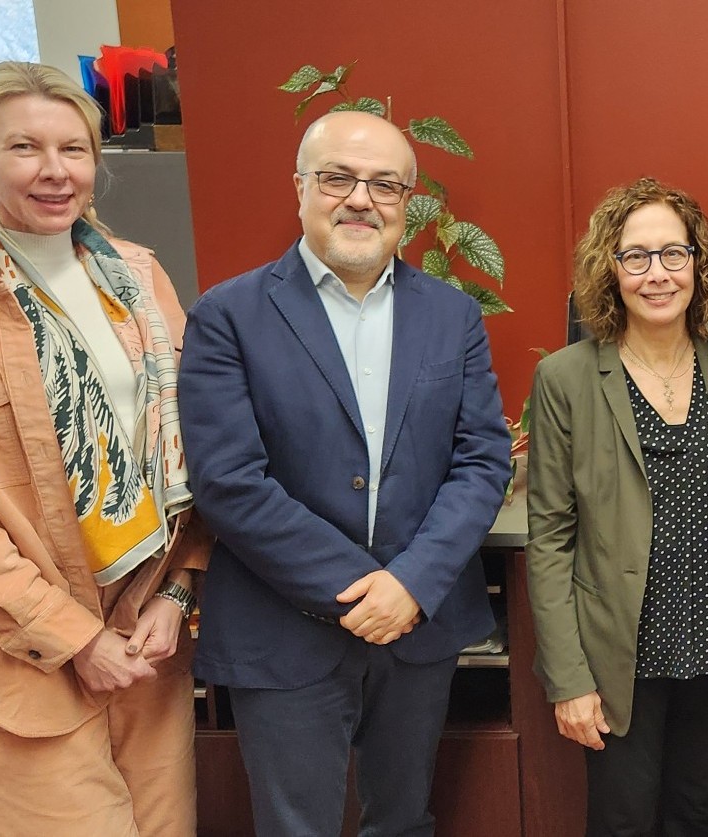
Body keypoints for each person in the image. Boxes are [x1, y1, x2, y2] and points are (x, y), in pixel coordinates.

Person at [0, 60, 207, 836]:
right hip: (23, 658)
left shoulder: (141, 279)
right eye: (25, 148)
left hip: (147, 642)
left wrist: (180, 590)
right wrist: (75, 637)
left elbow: (198, 454)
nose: (55, 172)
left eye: (74, 150)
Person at [177, 111, 513, 837]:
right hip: (284, 626)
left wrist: (411, 584)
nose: (361, 198)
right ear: (300, 188)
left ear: (407, 204)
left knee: (403, 820)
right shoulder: (227, 316)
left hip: (416, 626)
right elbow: (228, 479)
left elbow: (482, 458)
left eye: (385, 184)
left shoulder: (453, 316)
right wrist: (363, 589)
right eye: (338, 177)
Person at [526, 178, 708, 836]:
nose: (656, 273)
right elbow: (549, 539)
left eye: (673, 254)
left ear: (698, 262)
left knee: (702, 812)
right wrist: (568, 678)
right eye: (636, 256)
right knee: (623, 820)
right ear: (612, 268)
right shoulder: (567, 378)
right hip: (618, 653)